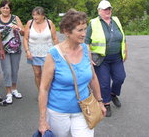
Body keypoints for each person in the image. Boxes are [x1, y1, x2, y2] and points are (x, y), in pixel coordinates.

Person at [38, 8, 106, 137]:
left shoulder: (86, 49)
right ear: (66, 31)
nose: (84, 33)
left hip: (84, 109)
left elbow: (93, 78)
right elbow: (44, 88)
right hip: (58, 111)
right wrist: (42, 120)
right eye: (80, 30)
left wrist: (100, 102)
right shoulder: (54, 54)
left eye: (85, 29)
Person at [85, 0, 127, 117]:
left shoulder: (116, 20)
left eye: (109, 9)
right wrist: (88, 58)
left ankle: (113, 94)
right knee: (104, 83)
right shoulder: (93, 23)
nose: (108, 11)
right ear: (99, 11)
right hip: (101, 59)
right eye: (105, 9)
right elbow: (86, 42)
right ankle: (106, 103)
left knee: (120, 78)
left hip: (117, 57)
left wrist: (125, 51)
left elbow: (122, 37)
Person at [23, 7, 58, 95]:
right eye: (34, 15)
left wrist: (58, 51)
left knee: (49, 74)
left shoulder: (49, 23)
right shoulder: (29, 23)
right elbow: (25, 38)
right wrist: (27, 51)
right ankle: (41, 92)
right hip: (34, 52)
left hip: (48, 53)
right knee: (37, 73)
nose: (35, 17)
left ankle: (49, 91)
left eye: (38, 15)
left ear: (43, 15)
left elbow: (54, 38)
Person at [0, 0, 25, 104]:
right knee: (7, 71)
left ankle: (14, 89)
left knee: (14, 70)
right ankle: (8, 93)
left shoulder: (15, 18)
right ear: (0, 8)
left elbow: (23, 32)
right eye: (3, 7)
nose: (5, 10)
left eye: (7, 8)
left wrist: (18, 28)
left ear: (10, 9)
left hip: (15, 48)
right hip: (2, 49)